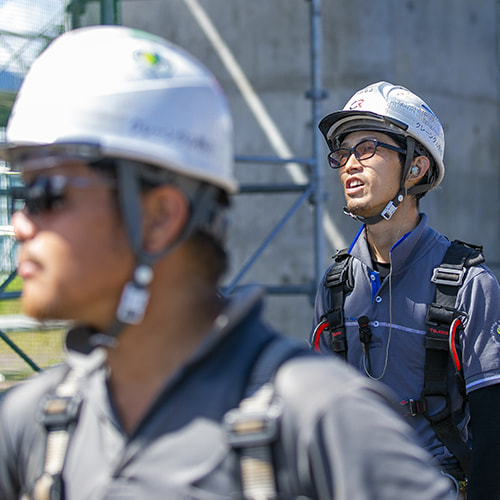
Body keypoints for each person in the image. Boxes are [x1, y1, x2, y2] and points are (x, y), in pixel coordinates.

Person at [0, 27, 455, 500]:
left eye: (46, 194)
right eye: (343, 153)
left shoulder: (321, 421)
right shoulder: (30, 427)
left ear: (160, 217)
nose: (21, 223)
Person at [310, 81, 500, 500]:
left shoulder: (468, 286)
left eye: (367, 149)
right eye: (343, 152)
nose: (348, 165)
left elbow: (494, 437)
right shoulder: (337, 285)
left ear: (415, 168)